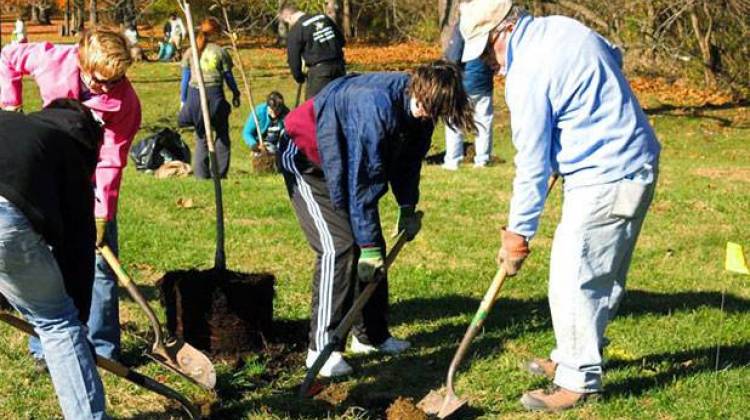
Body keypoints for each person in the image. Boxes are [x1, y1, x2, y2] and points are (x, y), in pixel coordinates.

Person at [459, 0, 661, 411]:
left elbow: (531, 164)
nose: (490, 65)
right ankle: (576, 355)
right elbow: (612, 57)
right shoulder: (563, 27)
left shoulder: (528, 72)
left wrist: (518, 233)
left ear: (505, 31)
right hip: (638, 160)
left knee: (574, 277)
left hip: (605, 173)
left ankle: (578, 381)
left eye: (486, 50)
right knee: (603, 271)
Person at [280, 61, 476, 377]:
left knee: (371, 246)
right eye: (428, 108)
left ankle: (371, 336)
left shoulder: (421, 110)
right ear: (419, 89)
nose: (429, 116)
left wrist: (407, 206)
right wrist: (367, 245)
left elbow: (407, 163)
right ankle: (322, 349)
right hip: (306, 159)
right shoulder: (374, 105)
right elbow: (363, 180)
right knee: (340, 248)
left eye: (436, 113)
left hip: (343, 160)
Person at [0, 29, 142, 365]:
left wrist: (102, 215)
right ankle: (46, 345)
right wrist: (11, 104)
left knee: (102, 265)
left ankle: (103, 346)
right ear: (82, 62)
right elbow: (7, 56)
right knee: (47, 257)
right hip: (46, 174)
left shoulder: (126, 103)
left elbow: (112, 159)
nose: (107, 88)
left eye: (115, 80)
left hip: (89, 179)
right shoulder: (52, 59)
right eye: (100, 80)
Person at [0, 98, 108, 419]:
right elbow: (77, 253)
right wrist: (78, 325)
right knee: (57, 322)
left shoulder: (14, 124)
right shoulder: (70, 155)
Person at [178, 17, 241, 179]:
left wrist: (183, 101)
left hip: (194, 95)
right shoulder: (220, 52)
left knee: (201, 136)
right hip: (214, 96)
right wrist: (236, 93)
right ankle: (219, 173)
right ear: (217, 33)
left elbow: (185, 79)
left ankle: (201, 174)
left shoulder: (190, 51)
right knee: (222, 133)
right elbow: (228, 76)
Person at [442, 20, 496, 170]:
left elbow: (453, 56)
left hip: (464, 82)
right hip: (484, 82)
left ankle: (452, 160)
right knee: (484, 121)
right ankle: (483, 159)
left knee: (454, 120)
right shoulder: (490, 24)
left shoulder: (463, 25)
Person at [279, 4, 346, 99]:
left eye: (287, 22)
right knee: (339, 103)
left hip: (320, 74)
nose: (289, 25)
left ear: (288, 17)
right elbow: (342, 41)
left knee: (313, 108)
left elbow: (293, 59)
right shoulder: (323, 18)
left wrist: (299, 77)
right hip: (340, 68)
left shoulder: (296, 29)